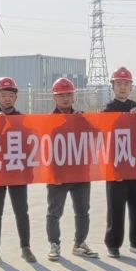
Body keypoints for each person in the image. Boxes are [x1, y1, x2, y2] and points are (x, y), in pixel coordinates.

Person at [101, 66, 136, 256]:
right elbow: (103, 135)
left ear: (131, 87)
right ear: (113, 87)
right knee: (116, 207)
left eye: (126, 84)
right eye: (119, 84)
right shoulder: (108, 110)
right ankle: (113, 244)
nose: (122, 87)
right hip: (117, 165)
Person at [0, 77, 36, 264]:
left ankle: (26, 248)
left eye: (10, 95)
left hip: (17, 171)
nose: (7, 99)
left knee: (21, 211)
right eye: (3, 95)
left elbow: (29, 145)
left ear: (15, 97)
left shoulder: (22, 119)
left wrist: (29, 170)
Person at [45, 77, 95, 260]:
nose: (65, 98)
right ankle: (54, 245)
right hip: (58, 174)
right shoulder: (48, 121)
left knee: (82, 211)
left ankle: (79, 243)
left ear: (74, 97)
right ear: (54, 98)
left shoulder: (82, 118)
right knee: (54, 212)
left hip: (80, 173)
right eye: (61, 95)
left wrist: (84, 122)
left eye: (68, 95)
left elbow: (97, 136)